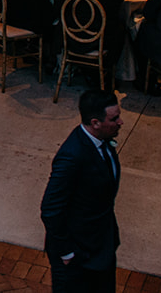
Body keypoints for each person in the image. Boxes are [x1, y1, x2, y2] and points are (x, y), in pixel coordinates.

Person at [41, 89, 123, 293]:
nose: (120, 122)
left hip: (100, 245)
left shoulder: (102, 142)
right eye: (114, 118)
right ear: (95, 122)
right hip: (79, 256)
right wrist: (67, 253)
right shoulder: (72, 157)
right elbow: (50, 209)